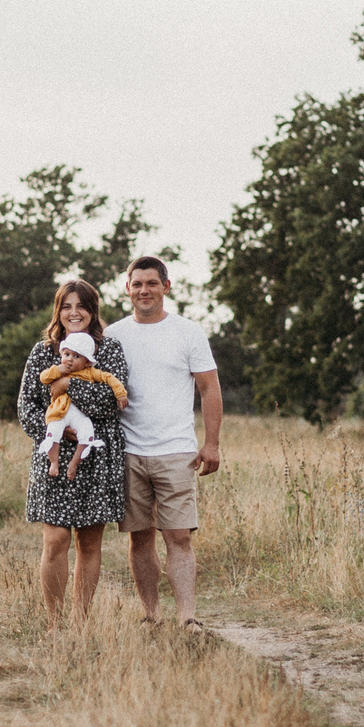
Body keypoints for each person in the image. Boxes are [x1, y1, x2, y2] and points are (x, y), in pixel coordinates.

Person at [107, 256, 222, 631]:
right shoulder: (114, 336)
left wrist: (212, 444)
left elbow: (209, 388)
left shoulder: (188, 332)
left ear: (166, 287)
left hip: (176, 450)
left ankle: (187, 617)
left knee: (178, 536)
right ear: (128, 289)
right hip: (129, 451)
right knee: (139, 538)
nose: (145, 290)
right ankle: (151, 616)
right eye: (137, 284)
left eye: (152, 283)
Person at [17, 279, 129, 623]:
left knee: (89, 544)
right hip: (54, 453)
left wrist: (68, 384)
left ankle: (81, 621)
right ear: (58, 311)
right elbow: (26, 406)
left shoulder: (109, 349)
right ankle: (55, 622)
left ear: (92, 310)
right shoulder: (43, 352)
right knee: (55, 541)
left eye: (81, 306)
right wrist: (54, 430)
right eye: (66, 306)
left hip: (95, 455)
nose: (74, 312)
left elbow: (112, 401)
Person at [35, 330, 130, 480]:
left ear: (86, 361)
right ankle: (54, 462)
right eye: (67, 354)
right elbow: (43, 377)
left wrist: (121, 393)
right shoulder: (59, 370)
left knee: (87, 433)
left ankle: (74, 463)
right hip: (58, 412)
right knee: (53, 431)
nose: (70, 359)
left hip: (79, 415)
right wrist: (58, 370)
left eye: (76, 356)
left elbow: (109, 378)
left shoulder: (90, 372)